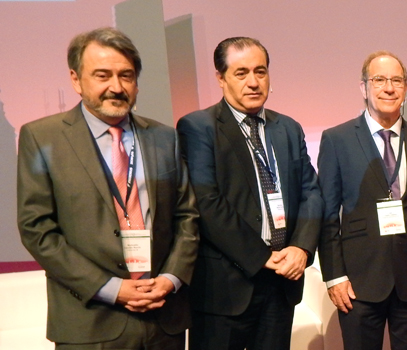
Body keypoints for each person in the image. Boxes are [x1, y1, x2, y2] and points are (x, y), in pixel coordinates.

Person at [17, 27, 199, 349]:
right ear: (76, 79)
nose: (116, 87)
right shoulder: (42, 138)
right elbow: (37, 229)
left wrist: (171, 279)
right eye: (102, 75)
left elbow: (187, 216)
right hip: (90, 323)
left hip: (164, 320)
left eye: (126, 76)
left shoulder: (163, 137)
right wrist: (110, 287)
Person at [176, 37, 323, 350]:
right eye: (241, 73)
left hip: (282, 281)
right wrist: (262, 257)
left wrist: (301, 248)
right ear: (221, 78)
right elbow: (206, 201)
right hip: (226, 288)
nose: (254, 82)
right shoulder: (198, 127)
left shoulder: (288, 128)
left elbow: (311, 192)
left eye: (261, 71)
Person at [317, 50, 407, 350]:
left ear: (405, 88)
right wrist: (334, 276)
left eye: (396, 80)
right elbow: (327, 215)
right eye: (379, 79)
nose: (388, 88)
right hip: (358, 282)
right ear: (363, 87)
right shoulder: (337, 140)